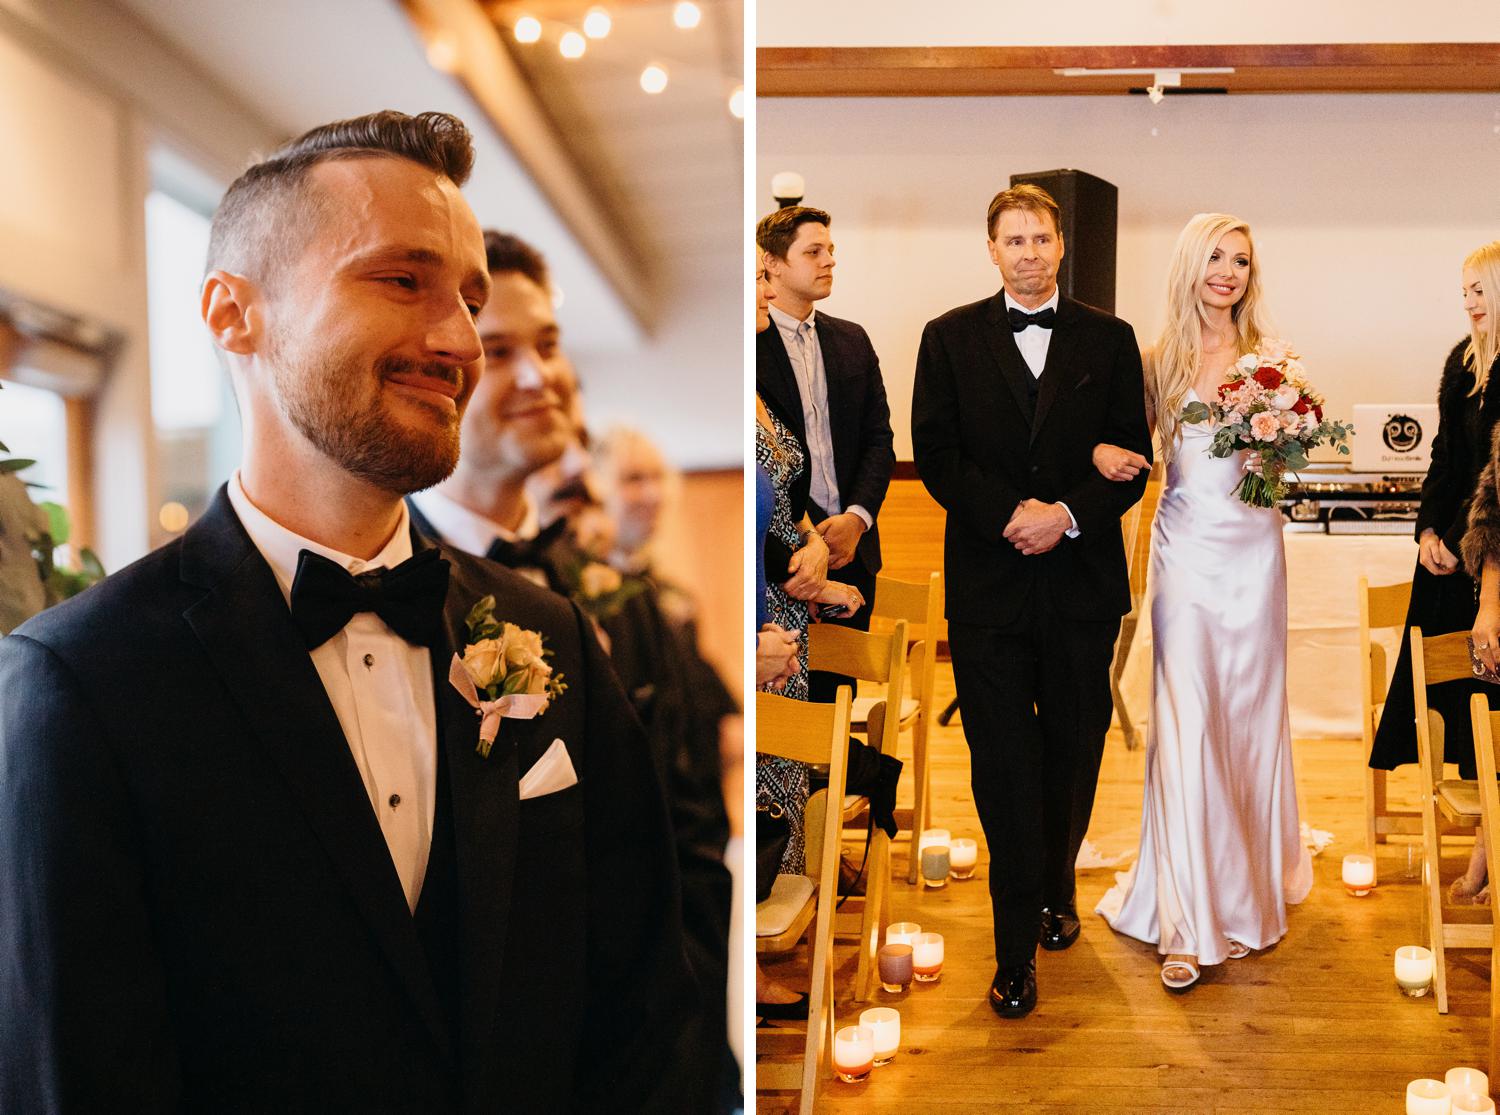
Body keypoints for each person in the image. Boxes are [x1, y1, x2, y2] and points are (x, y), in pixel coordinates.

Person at [0, 110, 691, 1111]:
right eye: (403, 280)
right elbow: (77, 1072)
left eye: (467, 296)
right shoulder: (82, 680)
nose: (458, 338)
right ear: (235, 313)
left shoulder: (551, 638)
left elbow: (643, 1008)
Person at [911, 183, 1151, 1019]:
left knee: (1076, 752)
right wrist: (1010, 515)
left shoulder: (1112, 339)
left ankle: (1056, 882)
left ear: (1060, 245)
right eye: (1012, 240)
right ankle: (1014, 951)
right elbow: (936, 454)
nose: (1028, 253)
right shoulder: (946, 338)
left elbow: (1133, 458)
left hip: (1081, 588)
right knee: (1003, 768)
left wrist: (1068, 514)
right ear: (992, 249)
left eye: (1040, 239)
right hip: (990, 590)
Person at [1093, 212, 1314, 990]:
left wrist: (1276, 455)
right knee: (1184, 721)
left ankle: (1247, 888)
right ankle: (1185, 919)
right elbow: (1123, 446)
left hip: (1256, 557)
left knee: (1246, 720)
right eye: (1216, 256)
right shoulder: (1155, 362)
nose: (1228, 271)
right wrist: (1099, 452)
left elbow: (1282, 473)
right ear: (1191, 263)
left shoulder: (1272, 361)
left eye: (1242, 260)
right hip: (1184, 554)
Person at [753, 258, 862, 1020]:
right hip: (759, 623)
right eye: (753, 279)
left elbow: (777, 514)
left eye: (765, 277)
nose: (765, 291)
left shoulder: (754, 393)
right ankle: (753, 964)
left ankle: (763, 960)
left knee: (784, 781)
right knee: (760, 782)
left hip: (786, 615)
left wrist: (818, 565)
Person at [1376, 242, 1500, 901]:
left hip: (1493, 560)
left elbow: (1497, 482)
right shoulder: (1464, 360)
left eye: (1481, 290)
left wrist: (1461, 539)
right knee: (1468, 704)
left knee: (1496, 703)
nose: (1469, 301)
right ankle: (1483, 851)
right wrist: (1426, 529)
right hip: (1450, 565)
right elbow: (1446, 457)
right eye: (1466, 291)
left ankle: (1487, 859)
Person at [756, 205, 894, 702]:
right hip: (783, 556)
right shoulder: (753, 344)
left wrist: (856, 519)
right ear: (770, 264)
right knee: (792, 709)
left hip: (854, 550)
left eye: (830, 250)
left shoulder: (852, 340)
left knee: (840, 704)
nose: (828, 260)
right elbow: (774, 465)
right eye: (813, 251)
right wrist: (812, 534)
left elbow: (880, 440)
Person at [408, 230, 575, 594]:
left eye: (548, 346)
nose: (539, 376)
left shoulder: (616, 597)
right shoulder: (389, 581)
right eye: (498, 352)